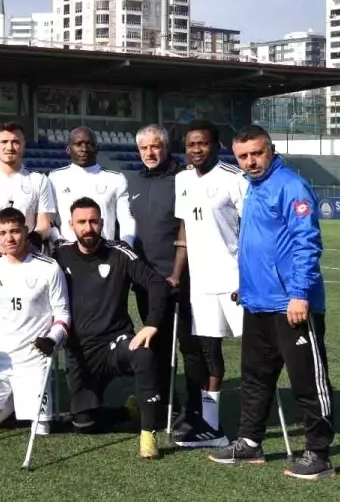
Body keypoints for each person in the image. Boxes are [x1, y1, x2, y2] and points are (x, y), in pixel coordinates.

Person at [209, 125, 335, 481]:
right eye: (243, 157)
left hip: (290, 305)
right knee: (255, 378)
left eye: (257, 154)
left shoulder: (291, 186)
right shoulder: (252, 187)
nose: (250, 162)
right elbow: (258, 246)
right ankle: (249, 442)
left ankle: (319, 454)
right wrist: (246, 288)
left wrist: (299, 294)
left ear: (271, 149)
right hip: (257, 303)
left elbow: (306, 244)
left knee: (308, 381)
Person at [55, 197, 166, 459]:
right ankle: (128, 411)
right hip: (80, 352)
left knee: (143, 353)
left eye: (94, 221)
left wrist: (151, 324)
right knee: (83, 424)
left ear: (103, 223)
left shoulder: (119, 252)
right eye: (81, 222)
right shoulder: (60, 256)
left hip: (116, 343)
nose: (88, 227)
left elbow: (157, 284)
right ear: (71, 225)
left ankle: (148, 434)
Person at [129, 124, 214, 447]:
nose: (150, 153)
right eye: (144, 148)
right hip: (147, 285)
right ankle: (169, 406)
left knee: (191, 349)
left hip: (182, 281)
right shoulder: (133, 182)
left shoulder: (182, 178)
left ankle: (195, 412)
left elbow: (186, 228)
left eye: (156, 147)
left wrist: (178, 273)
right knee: (157, 349)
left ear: (166, 148)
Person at [173, 120, 248, 448]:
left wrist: (249, 277)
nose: (196, 149)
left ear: (216, 145)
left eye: (202, 143)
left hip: (235, 281)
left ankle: (252, 424)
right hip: (200, 283)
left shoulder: (235, 179)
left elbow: (250, 229)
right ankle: (212, 427)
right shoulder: (182, 179)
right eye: (191, 144)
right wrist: (177, 273)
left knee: (257, 352)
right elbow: (184, 230)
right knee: (209, 351)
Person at [0, 208, 69, 434]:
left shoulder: (48, 267)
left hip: (34, 357)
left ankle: (24, 401)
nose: (9, 238)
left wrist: (51, 340)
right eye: (2, 233)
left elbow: (62, 316)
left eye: (14, 231)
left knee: (41, 429)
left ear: (25, 231)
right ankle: (14, 403)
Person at [0, 122, 57, 251]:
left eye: (15, 142)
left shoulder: (40, 180)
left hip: (29, 254)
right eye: (4, 142)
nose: (9, 147)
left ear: (24, 144)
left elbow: (45, 224)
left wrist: (28, 242)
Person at [48, 127, 135, 246]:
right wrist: (57, 240)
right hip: (68, 253)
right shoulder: (55, 178)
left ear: (97, 149)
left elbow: (126, 218)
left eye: (89, 144)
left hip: (106, 252)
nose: (84, 149)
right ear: (68, 149)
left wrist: (127, 243)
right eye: (78, 144)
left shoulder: (116, 179)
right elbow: (48, 219)